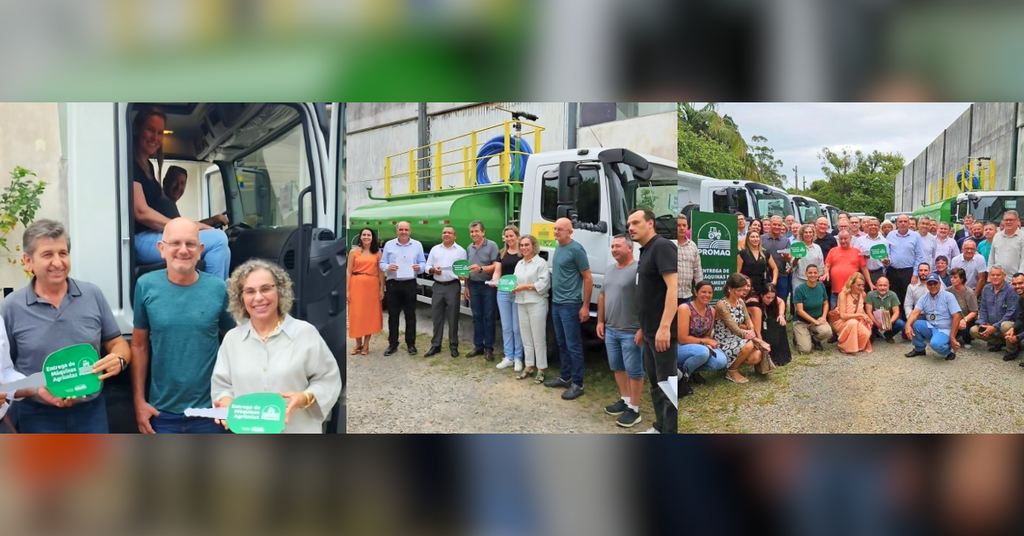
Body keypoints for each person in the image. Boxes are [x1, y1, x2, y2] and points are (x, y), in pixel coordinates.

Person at [1, 220, 131, 433]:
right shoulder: (11, 307)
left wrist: (120, 359)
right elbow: (6, 369)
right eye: (47, 255)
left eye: (63, 253)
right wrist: (36, 389)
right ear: (28, 261)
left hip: (90, 414)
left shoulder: (92, 295)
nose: (58, 262)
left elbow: (117, 342)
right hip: (36, 416)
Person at [212, 260, 342, 433]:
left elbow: (328, 379)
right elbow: (222, 386)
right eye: (250, 291)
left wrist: (305, 398)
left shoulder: (304, 333)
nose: (258, 297)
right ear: (241, 298)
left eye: (266, 289)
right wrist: (226, 402)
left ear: (279, 292)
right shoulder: (232, 340)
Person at [131, 218, 236, 434]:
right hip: (162, 413)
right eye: (175, 243)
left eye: (190, 244)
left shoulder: (217, 288)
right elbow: (139, 346)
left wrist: (233, 397)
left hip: (211, 413)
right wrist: (139, 403)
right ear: (161, 249)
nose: (183, 250)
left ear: (200, 251)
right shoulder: (146, 286)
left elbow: (234, 343)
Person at [130, 108, 230, 279]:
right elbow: (141, 212)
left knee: (222, 244)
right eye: (150, 130)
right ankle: (214, 299)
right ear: (137, 130)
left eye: (159, 132)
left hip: (153, 235)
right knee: (219, 240)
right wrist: (185, 228)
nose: (155, 137)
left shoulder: (149, 166)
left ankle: (221, 295)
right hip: (139, 240)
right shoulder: (131, 163)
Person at [627, 209, 678, 434]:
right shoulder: (645, 251)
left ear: (651, 224)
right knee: (657, 384)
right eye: (629, 224)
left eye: (636, 222)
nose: (630, 228)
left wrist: (665, 327)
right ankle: (660, 427)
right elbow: (649, 292)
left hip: (663, 333)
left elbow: (673, 288)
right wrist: (642, 328)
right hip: (648, 332)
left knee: (669, 387)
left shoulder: (662, 247)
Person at [542, 218, 593, 401]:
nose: (556, 232)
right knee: (561, 342)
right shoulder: (558, 247)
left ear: (570, 232)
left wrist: (585, 306)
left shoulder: (576, 249)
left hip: (571, 304)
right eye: (555, 229)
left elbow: (587, 278)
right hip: (556, 303)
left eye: (560, 229)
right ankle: (565, 377)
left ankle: (578, 384)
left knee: (574, 345)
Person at [598, 235, 644, 428]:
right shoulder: (610, 270)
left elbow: (646, 300)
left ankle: (634, 408)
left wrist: (643, 328)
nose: (614, 249)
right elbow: (602, 295)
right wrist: (600, 321)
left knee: (634, 371)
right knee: (617, 367)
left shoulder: (638, 270)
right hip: (611, 329)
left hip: (630, 330)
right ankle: (625, 399)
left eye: (618, 246)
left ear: (630, 248)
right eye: (612, 246)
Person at [380, 222, 426, 356]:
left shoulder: (417, 245)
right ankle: (393, 343)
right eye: (401, 229)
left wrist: (420, 268)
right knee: (393, 315)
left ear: (410, 231)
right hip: (393, 283)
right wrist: (388, 267)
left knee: (410, 315)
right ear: (397, 231)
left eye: (406, 229)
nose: (403, 232)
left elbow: (423, 262)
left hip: (410, 283)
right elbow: (382, 263)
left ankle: (411, 344)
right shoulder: (389, 244)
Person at [423, 226, 467, 359]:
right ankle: (436, 345)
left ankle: (453, 345)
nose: (446, 235)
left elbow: (463, 269)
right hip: (437, 286)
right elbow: (426, 266)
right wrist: (432, 270)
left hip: (453, 286)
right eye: (444, 232)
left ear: (455, 235)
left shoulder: (461, 251)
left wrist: (462, 276)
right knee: (437, 317)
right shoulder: (435, 249)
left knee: (453, 317)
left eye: (449, 233)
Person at [511, 235, 550, 384]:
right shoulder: (519, 264)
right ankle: (529, 366)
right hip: (521, 302)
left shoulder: (541, 263)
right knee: (526, 337)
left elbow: (543, 284)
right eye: (521, 245)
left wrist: (525, 287)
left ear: (533, 246)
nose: (524, 248)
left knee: (538, 338)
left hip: (537, 303)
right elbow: (514, 282)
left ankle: (541, 369)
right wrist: (510, 287)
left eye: (527, 245)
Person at [714, 274, 765, 384]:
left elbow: (747, 319)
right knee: (750, 344)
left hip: (739, 338)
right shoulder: (721, 305)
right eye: (739, 290)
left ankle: (731, 363)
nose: (742, 293)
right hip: (724, 340)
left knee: (756, 357)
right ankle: (732, 371)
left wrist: (751, 330)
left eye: (743, 290)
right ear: (729, 289)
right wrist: (757, 340)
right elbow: (734, 329)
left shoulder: (740, 301)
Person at [677, 281, 728, 385]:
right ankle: (683, 376)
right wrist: (705, 342)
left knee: (721, 361)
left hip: (700, 346)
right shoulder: (685, 308)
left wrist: (708, 343)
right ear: (696, 293)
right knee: (703, 352)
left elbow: (707, 335)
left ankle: (693, 371)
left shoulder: (712, 311)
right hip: (680, 347)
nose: (707, 295)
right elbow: (682, 338)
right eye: (703, 292)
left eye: (710, 292)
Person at [904, 273, 962, 361]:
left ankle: (948, 351)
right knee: (914, 323)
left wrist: (952, 336)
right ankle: (919, 349)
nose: (932, 286)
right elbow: (915, 312)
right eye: (930, 284)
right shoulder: (924, 298)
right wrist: (907, 325)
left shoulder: (948, 296)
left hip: (945, 329)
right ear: (927, 285)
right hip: (931, 326)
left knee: (935, 344)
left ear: (939, 284)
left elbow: (957, 316)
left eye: (935, 283)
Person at [465, 221, 500, 361]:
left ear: (483, 232)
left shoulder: (492, 245)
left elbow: (496, 266)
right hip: (473, 285)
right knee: (476, 317)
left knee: (489, 317)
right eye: (472, 232)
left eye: (476, 231)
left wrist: (481, 269)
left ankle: (489, 348)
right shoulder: (469, 247)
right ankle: (478, 346)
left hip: (488, 286)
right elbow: (467, 269)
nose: (474, 234)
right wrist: (466, 286)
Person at [970, 265, 1020, 360]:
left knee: (1006, 326)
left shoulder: (1011, 290)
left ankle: (1012, 350)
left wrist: (995, 327)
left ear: (1004, 276)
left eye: (998, 275)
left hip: (1007, 325)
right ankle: (999, 342)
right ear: (989, 276)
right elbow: (983, 309)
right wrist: (983, 324)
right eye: (993, 275)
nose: (995, 277)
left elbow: (1011, 313)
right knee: (974, 330)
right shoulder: (986, 289)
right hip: (991, 324)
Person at [348, 228, 385, 356]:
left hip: (372, 285)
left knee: (369, 315)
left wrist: (381, 288)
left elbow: (381, 272)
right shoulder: (354, 252)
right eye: (364, 234)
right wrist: (347, 289)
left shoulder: (377, 253)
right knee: (356, 314)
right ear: (360, 237)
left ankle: (366, 344)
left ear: (372, 237)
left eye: (368, 235)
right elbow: (348, 271)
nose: (366, 237)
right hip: (356, 283)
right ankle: (358, 343)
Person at [492, 225, 524, 369]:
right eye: (506, 236)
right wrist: (495, 282)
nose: (509, 239)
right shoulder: (502, 253)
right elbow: (497, 271)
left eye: (511, 235)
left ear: (517, 236)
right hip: (503, 292)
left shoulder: (523, 252)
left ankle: (518, 357)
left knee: (517, 327)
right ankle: (508, 356)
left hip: (518, 292)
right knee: (506, 326)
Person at [738, 230, 778, 339]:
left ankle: (768, 335)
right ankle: (757, 336)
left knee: (778, 302)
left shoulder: (765, 253)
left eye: (757, 237)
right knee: (756, 310)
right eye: (752, 237)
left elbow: (774, 268)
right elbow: (737, 273)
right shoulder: (742, 254)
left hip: (762, 287)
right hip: (748, 289)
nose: (755, 239)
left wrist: (773, 282)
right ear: (748, 239)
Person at [161, 166, 231, 228]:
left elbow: (184, 227)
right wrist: (213, 220)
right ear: (164, 182)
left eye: (182, 183)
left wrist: (213, 220)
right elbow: (183, 229)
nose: (178, 187)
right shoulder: (165, 204)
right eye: (175, 181)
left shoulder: (169, 203)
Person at [886, 215, 925, 320]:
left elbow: (919, 256)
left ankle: (906, 325)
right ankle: (893, 325)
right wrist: (886, 261)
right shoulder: (890, 235)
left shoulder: (915, 236)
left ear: (909, 223)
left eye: (905, 221)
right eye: (900, 221)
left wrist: (915, 274)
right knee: (893, 298)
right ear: (897, 223)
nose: (903, 223)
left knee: (906, 300)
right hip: (892, 272)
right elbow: (887, 253)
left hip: (908, 272)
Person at [824, 230, 870, 308]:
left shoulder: (857, 251)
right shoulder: (833, 251)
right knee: (834, 316)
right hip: (836, 291)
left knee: (851, 314)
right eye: (841, 239)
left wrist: (870, 283)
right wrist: (826, 273)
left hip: (852, 292)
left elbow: (864, 269)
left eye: (845, 238)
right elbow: (827, 265)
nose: (843, 241)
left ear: (850, 238)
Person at [792, 265, 832, 353]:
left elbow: (825, 303)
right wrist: (815, 321)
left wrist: (823, 317)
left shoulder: (821, 286)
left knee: (827, 332)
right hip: (802, 321)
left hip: (817, 319)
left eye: (815, 273)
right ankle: (797, 335)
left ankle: (815, 339)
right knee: (805, 350)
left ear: (818, 274)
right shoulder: (800, 289)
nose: (812, 275)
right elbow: (800, 311)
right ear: (805, 274)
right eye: (810, 273)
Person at [831, 273, 873, 354]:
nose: (861, 287)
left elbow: (861, 309)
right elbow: (843, 316)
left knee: (866, 334)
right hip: (842, 321)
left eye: (862, 285)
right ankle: (846, 347)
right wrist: (861, 315)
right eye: (858, 285)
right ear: (852, 284)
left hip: (857, 321)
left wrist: (866, 317)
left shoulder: (862, 294)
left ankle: (854, 345)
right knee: (853, 322)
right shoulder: (843, 294)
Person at [761, 216, 793, 309]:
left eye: (779, 225)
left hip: (781, 275)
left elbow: (789, 258)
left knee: (781, 300)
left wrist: (787, 257)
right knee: (765, 301)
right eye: (774, 224)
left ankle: (780, 320)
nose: (777, 227)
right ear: (770, 225)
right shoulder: (761, 239)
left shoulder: (786, 241)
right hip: (765, 275)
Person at [758, 283, 792, 366]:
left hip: (769, 321)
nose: (770, 300)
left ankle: (781, 355)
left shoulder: (775, 300)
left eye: (772, 298)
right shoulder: (756, 303)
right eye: (768, 297)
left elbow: (781, 302)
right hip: (759, 324)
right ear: (762, 295)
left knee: (780, 323)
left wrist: (781, 315)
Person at [946, 268, 979, 351]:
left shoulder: (969, 292)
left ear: (961, 279)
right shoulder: (947, 291)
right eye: (951, 277)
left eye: (955, 277)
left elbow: (974, 311)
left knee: (965, 328)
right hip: (952, 318)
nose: (952, 279)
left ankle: (967, 339)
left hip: (966, 318)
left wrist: (965, 319)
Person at [865, 276, 905, 343]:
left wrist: (888, 323)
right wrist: (877, 324)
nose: (882, 288)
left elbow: (896, 312)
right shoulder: (870, 294)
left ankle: (889, 335)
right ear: (876, 286)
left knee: (900, 323)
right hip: (874, 320)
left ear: (888, 286)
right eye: (880, 285)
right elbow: (868, 312)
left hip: (888, 319)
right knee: (868, 323)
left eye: (885, 285)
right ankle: (873, 334)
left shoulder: (893, 295)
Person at [790, 224, 825, 294]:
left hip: (814, 280)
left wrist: (820, 278)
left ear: (813, 234)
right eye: (806, 232)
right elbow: (792, 266)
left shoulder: (817, 247)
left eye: (810, 232)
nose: (808, 234)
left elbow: (820, 265)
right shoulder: (797, 246)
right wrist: (796, 259)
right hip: (799, 280)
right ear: (802, 234)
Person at [856, 217, 890, 286]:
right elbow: (855, 255)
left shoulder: (884, 241)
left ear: (879, 227)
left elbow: (887, 258)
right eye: (871, 225)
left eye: (875, 225)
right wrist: (863, 255)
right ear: (867, 227)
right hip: (863, 272)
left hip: (878, 272)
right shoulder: (860, 240)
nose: (873, 227)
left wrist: (887, 261)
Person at [677, 215, 703, 305]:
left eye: (684, 225)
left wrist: (701, 290)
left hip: (687, 295)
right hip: (670, 295)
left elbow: (697, 270)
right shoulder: (668, 244)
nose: (682, 228)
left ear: (688, 227)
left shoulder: (692, 245)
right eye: (678, 225)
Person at [990, 211, 1024, 275]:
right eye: (1006, 220)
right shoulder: (997, 236)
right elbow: (992, 257)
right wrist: (990, 272)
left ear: (1017, 221)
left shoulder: (1022, 236)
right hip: (998, 278)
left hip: (1016, 279)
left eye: (1011, 220)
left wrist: (1020, 275)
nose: (1008, 222)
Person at [1003, 273, 1024, 368]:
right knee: (1007, 326)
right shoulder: (1021, 298)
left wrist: (1018, 337)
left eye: (1020, 283)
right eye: (1014, 284)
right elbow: (1021, 317)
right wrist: (1013, 329)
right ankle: (1013, 352)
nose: (1017, 286)